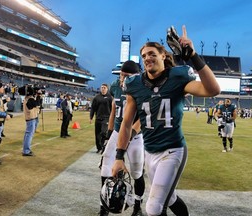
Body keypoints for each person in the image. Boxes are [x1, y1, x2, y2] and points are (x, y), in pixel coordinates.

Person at [112, 25, 220, 216]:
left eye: (152, 53)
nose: (147, 58)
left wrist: (194, 56)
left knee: (153, 208)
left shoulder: (178, 77)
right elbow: (127, 124)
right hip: (150, 151)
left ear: (163, 55)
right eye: (144, 56)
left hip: (173, 150)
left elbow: (212, 90)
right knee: (169, 199)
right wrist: (119, 157)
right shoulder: (134, 84)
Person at [99, 60, 145, 216]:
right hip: (118, 132)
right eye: (121, 75)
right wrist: (109, 131)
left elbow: (144, 117)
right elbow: (114, 108)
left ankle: (137, 205)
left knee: (137, 172)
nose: (123, 79)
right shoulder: (115, 86)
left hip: (135, 135)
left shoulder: (142, 87)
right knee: (106, 164)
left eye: (127, 76)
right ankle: (103, 206)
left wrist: (130, 135)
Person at [90, 84, 113, 153]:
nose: (103, 89)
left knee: (103, 132)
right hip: (98, 118)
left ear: (107, 89)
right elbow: (93, 108)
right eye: (102, 87)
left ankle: (103, 146)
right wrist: (91, 117)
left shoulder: (110, 97)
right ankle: (99, 148)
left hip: (106, 118)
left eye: (104, 88)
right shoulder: (96, 97)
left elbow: (113, 109)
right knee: (97, 134)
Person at [22, 86, 39, 156]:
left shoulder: (27, 98)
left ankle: (25, 149)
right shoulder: (30, 99)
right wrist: (38, 97)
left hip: (30, 118)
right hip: (31, 118)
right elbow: (37, 104)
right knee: (29, 135)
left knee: (27, 135)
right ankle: (26, 151)